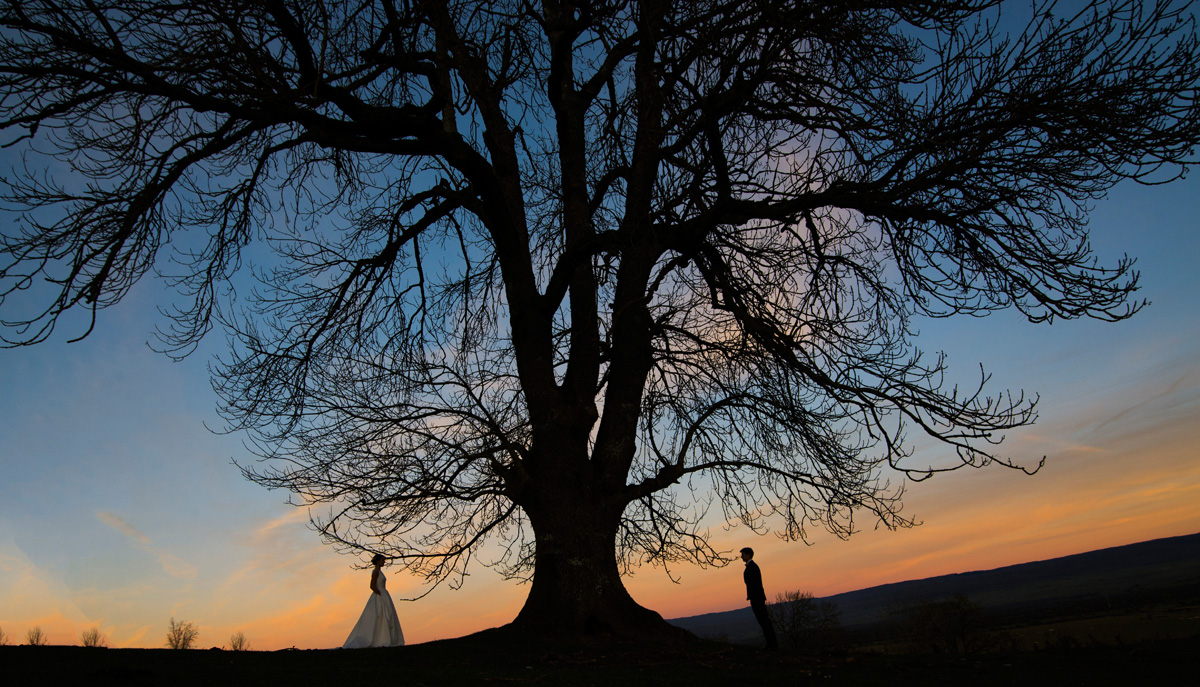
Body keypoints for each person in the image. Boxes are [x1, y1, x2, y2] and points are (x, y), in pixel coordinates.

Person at [342, 553, 405, 648]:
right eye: (383, 560)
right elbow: (372, 585)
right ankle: (379, 639)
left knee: (388, 616)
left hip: (383, 594)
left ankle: (386, 638)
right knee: (380, 616)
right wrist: (380, 594)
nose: (384, 562)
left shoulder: (379, 572)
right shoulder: (375, 572)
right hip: (380, 595)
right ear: (378, 561)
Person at [740, 547, 778, 650]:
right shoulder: (752, 567)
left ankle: (772, 644)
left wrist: (754, 597)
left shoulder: (752, 567)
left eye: (743, 554)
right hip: (756, 597)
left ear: (748, 555)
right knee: (764, 621)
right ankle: (771, 643)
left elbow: (753, 583)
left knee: (764, 621)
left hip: (757, 598)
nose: (741, 557)